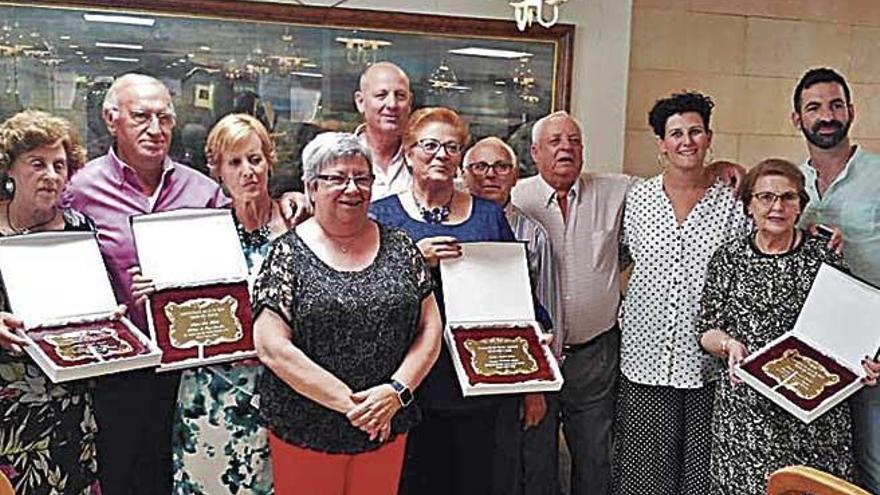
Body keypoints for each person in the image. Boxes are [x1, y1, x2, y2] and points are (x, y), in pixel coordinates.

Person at [61, 73, 230, 495]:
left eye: (164, 118)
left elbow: (233, 271)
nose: (155, 130)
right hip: (117, 373)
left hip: (192, 369)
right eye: (141, 116)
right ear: (111, 118)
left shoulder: (204, 192)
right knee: (120, 479)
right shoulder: (79, 190)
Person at [252, 132, 442, 495]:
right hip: (309, 431)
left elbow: (430, 328)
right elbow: (272, 348)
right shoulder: (286, 255)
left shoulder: (401, 247)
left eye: (361, 178)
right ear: (310, 187)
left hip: (386, 423)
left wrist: (395, 392)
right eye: (337, 178)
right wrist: (356, 407)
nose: (352, 189)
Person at [371, 107, 532, 495]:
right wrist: (414, 261)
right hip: (406, 384)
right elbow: (367, 297)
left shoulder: (489, 216)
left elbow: (515, 295)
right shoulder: (380, 216)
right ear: (408, 152)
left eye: (452, 147)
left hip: (477, 387)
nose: (441, 155)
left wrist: (534, 376)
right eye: (429, 145)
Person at [698, 158, 880, 494]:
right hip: (746, 418)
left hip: (816, 420)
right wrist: (728, 346)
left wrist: (865, 363)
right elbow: (707, 329)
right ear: (749, 206)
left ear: (801, 206)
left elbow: (853, 327)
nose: (777, 206)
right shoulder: (728, 258)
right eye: (765, 197)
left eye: (788, 197)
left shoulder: (824, 257)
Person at [611, 92, 749, 495]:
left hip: (708, 362)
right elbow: (619, 256)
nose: (686, 141)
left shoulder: (734, 199)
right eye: (676, 134)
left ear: (709, 137)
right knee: (643, 473)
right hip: (644, 357)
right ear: (661, 143)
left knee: (699, 474)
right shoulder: (637, 197)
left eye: (695, 131)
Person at [164, 114, 285, 494]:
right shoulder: (201, 232)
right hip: (209, 391)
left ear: (270, 161)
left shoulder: (301, 227)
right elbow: (178, 308)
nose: (248, 171)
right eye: (235, 162)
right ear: (216, 169)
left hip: (280, 388)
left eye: (255, 158)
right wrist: (156, 289)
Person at [510, 111, 630, 495]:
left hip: (595, 354)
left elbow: (675, 183)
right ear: (534, 152)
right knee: (536, 458)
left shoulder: (616, 190)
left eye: (574, 141)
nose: (566, 148)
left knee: (595, 458)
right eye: (556, 141)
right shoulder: (514, 196)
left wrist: (721, 171)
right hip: (535, 359)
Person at [790, 67, 880, 492]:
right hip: (808, 347)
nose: (826, 116)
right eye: (814, 107)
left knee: (874, 461)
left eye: (835, 105)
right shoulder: (790, 183)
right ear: (797, 119)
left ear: (851, 112)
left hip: (872, 352)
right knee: (820, 471)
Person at [0, 110, 100, 494]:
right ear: (10, 169)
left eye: (60, 165)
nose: (51, 175)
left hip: (70, 401)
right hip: (10, 407)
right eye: (37, 163)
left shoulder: (79, 226)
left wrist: (109, 319)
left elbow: (94, 298)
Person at [461, 136, 562, 495]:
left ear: (516, 176)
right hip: (451, 378)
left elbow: (546, 314)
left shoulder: (533, 235)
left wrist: (537, 388)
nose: (491, 175)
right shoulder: (451, 226)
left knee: (505, 470)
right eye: (480, 167)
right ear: (464, 172)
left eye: (501, 167)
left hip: (510, 375)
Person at [354, 61, 412, 200]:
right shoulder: (337, 157)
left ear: (410, 103)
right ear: (360, 102)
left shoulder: (425, 159)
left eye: (400, 96)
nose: (392, 104)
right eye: (381, 95)